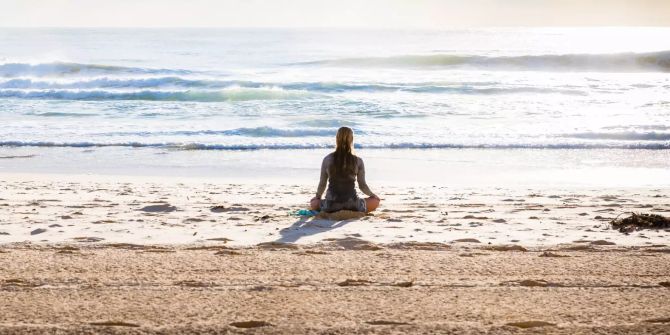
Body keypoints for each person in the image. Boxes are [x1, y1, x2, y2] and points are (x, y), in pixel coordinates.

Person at [310, 127, 380, 213]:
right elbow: (362, 186)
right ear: (351, 140)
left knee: (313, 202)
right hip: (353, 205)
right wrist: (372, 195)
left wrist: (317, 197)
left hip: (331, 205)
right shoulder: (358, 161)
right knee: (376, 201)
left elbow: (322, 184)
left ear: (337, 139)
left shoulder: (327, 159)